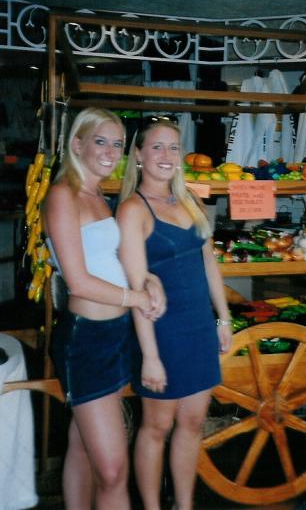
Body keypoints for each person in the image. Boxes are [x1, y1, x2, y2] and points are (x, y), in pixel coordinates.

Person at [43, 107, 166, 510]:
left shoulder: (98, 195)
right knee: (113, 471)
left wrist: (148, 279)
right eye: (101, 141)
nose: (111, 152)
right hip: (87, 340)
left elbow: (110, 259)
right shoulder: (63, 195)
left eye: (117, 144)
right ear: (77, 144)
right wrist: (136, 298)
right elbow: (78, 281)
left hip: (116, 335)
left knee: (82, 445)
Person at [117, 115, 233, 510]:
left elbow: (209, 264)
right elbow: (137, 288)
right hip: (161, 333)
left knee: (193, 423)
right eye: (157, 146)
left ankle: (185, 506)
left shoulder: (190, 200)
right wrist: (150, 356)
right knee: (157, 427)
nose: (166, 155)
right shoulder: (133, 210)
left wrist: (223, 318)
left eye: (173, 147)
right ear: (138, 155)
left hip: (199, 328)